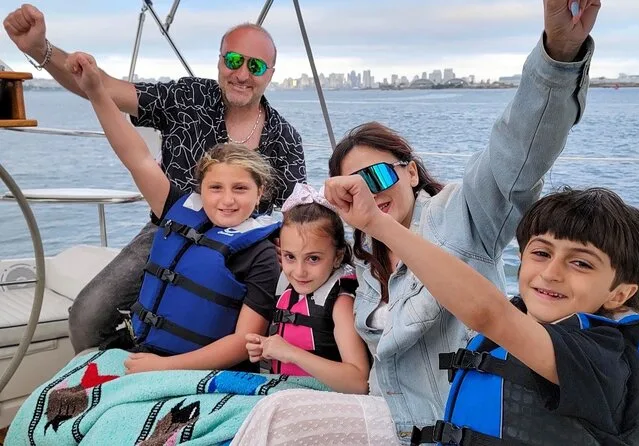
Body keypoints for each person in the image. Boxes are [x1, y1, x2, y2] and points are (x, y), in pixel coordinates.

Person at [231, 0, 600, 444]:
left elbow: (518, 152)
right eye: (354, 184)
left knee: (275, 420)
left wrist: (558, 56)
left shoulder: (462, 217)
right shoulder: (363, 258)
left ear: (410, 172)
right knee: (264, 414)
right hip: (387, 413)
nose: (368, 192)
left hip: (453, 423)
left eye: (378, 175)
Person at [3, 4, 306, 353]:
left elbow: (297, 218)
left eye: (255, 66)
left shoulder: (285, 139)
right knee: (88, 315)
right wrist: (40, 49)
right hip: (168, 228)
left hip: (242, 250)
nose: (241, 73)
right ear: (220, 61)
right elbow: (103, 89)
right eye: (234, 60)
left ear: (270, 73)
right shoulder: (188, 98)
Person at [326, 182, 639, 445]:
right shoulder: (521, 321)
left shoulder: (605, 360)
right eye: (541, 253)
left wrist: (377, 223)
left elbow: (488, 312)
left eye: (581, 263)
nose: (551, 273)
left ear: (620, 293)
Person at [66, 51, 282, 374]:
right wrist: (96, 91)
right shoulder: (177, 207)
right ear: (200, 189)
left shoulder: (261, 257)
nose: (227, 200)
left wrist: (163, 367)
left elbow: (243, 342)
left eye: (240, 189)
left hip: (198, 373)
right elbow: (135, 156)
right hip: (147, 355)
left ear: (260, 192)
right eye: (215, 188)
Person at [245, 183, 370, 394]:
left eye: (313, 259)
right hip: (287, 392)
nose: (299, 271)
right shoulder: (284, 285)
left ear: (338, 256)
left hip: (325, 401)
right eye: (290, 257)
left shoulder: (342, 303)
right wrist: (265, 348)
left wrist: (291, 353)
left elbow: (359, 382)